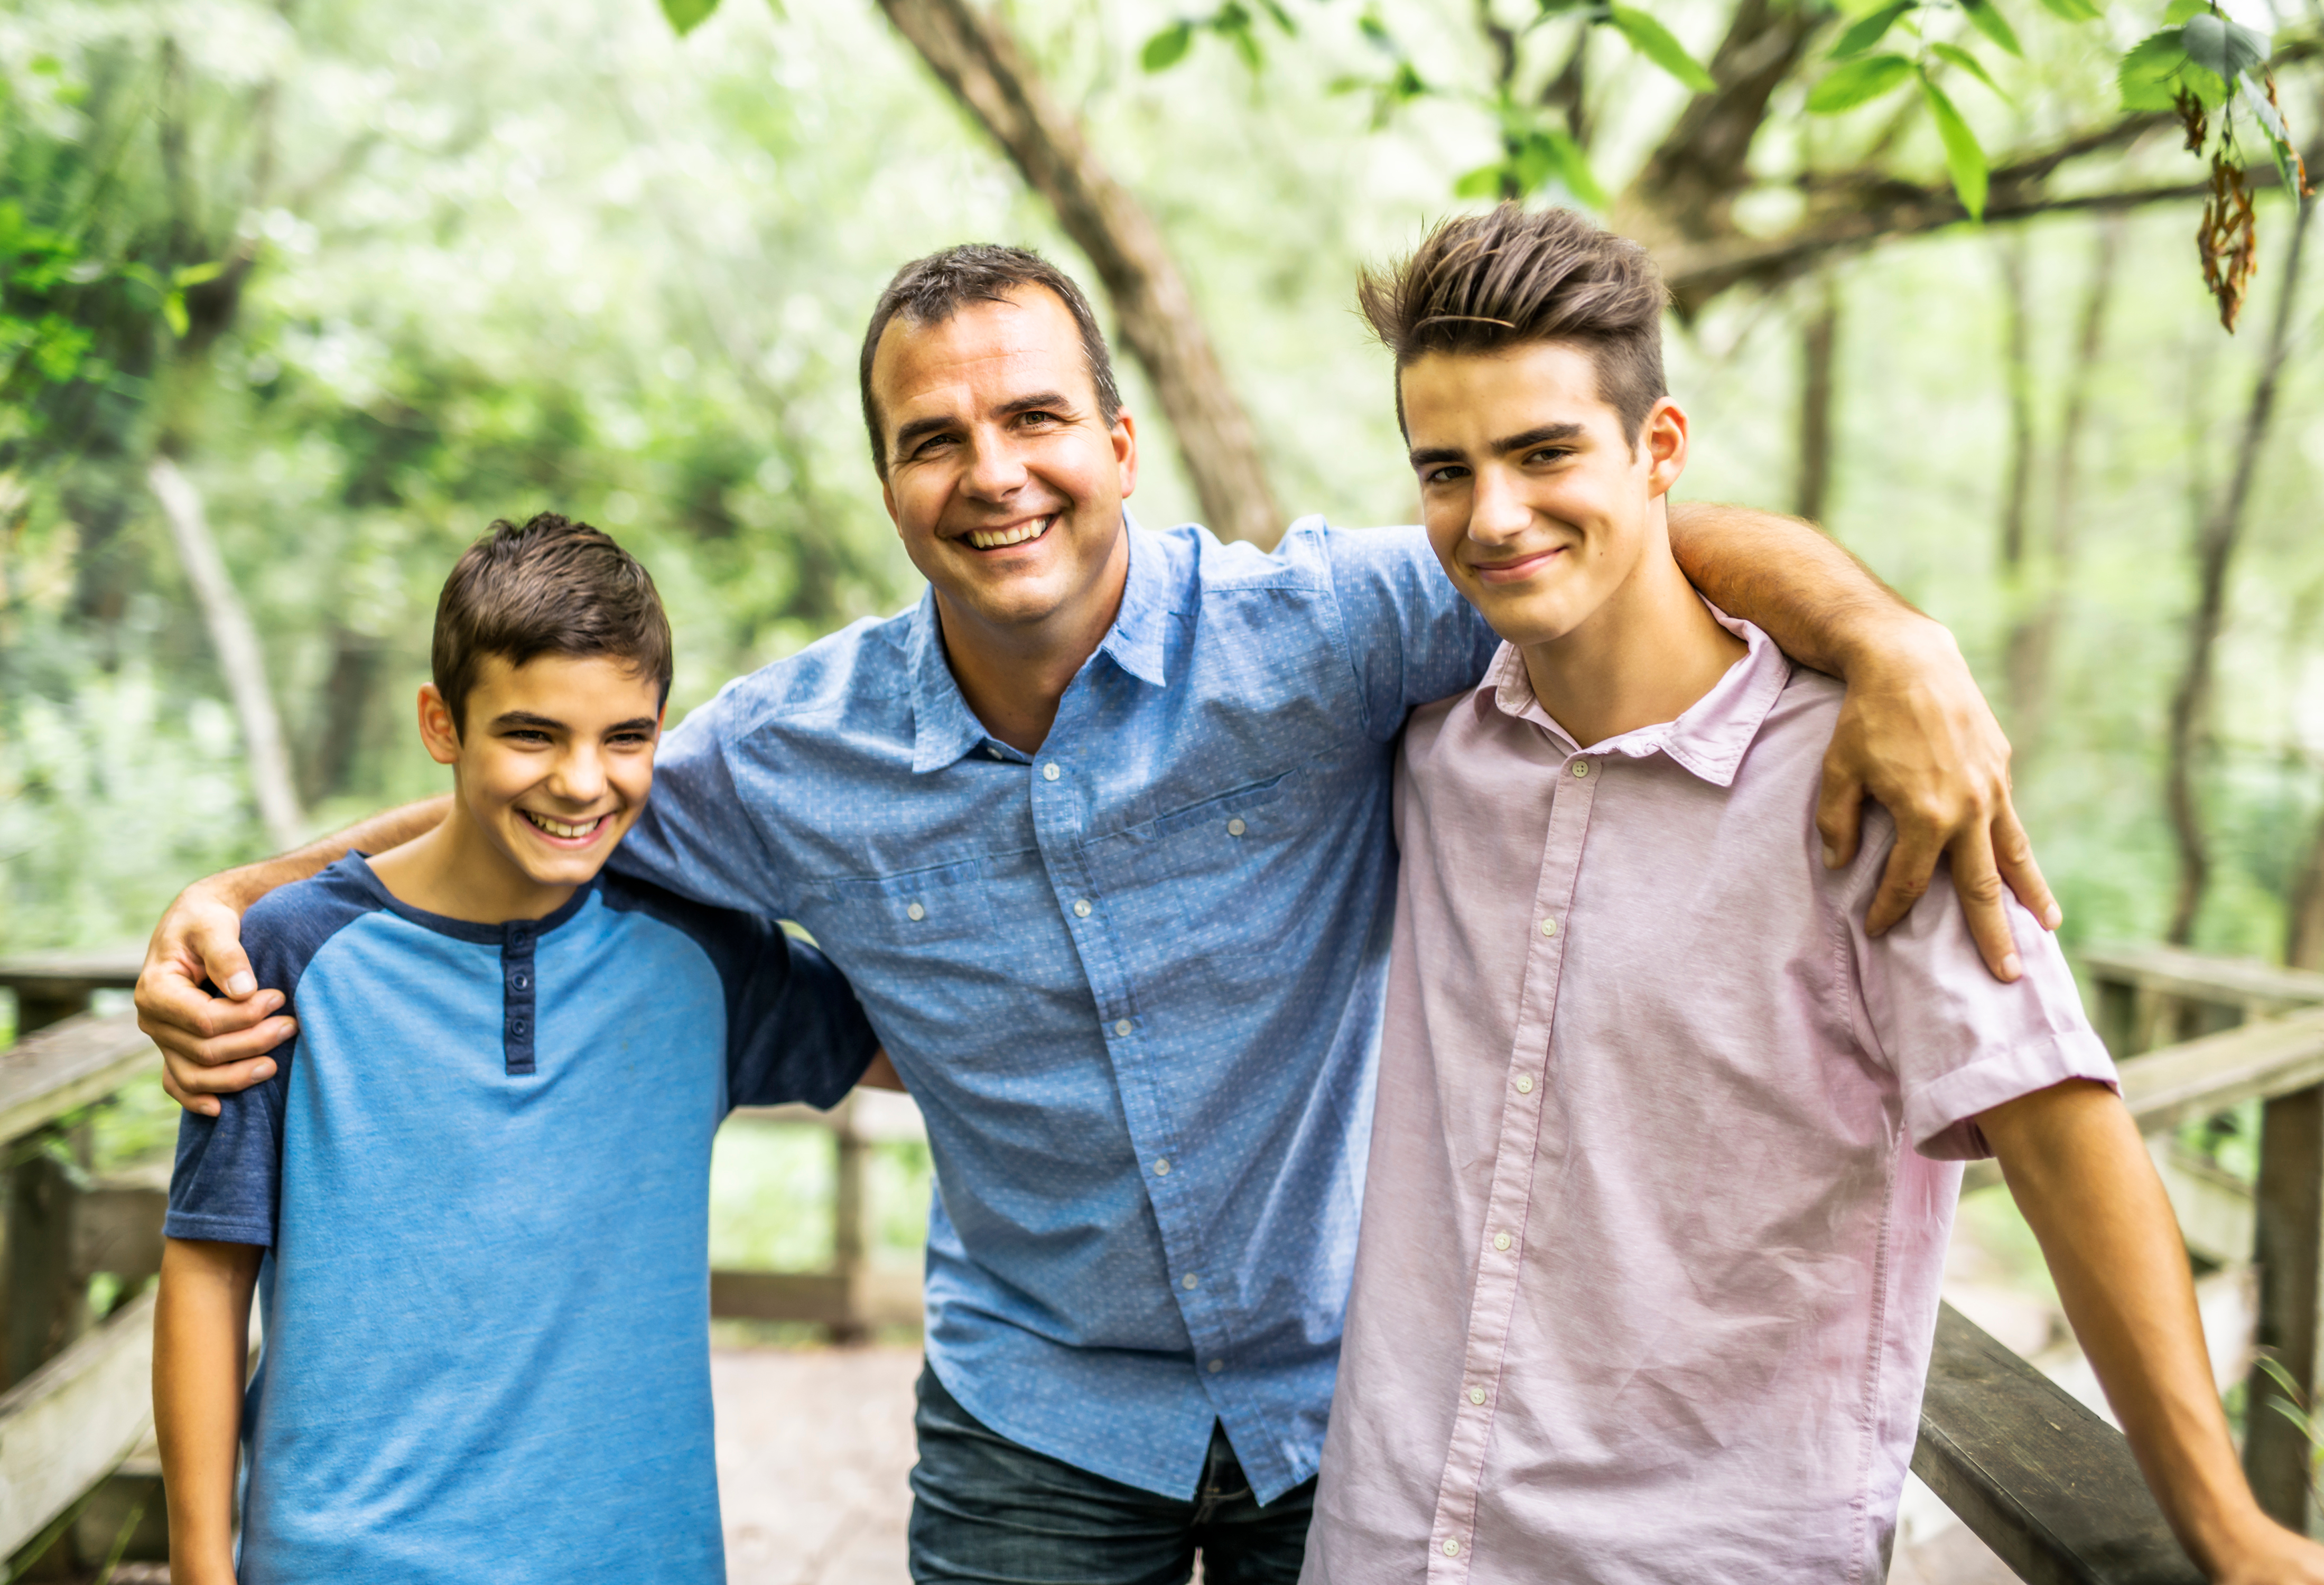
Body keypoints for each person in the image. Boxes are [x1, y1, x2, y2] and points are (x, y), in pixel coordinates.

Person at [143, 246, 2057, 1584]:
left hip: (1355, 1407)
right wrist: (239, 899)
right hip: (1037, 1419)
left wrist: (1885, 634)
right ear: (888, 481)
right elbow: (556, 785)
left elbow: (1593, 531)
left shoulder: (1317, 636)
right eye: (933, 439)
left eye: (1036, 418)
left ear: (1121, 444)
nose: (996, 474)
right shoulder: (792, 754)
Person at [1299, 204, 2324, 1585]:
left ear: (1658, 448)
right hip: (1387, 1542)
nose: (1491, 515)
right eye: (1444, 471)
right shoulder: (1431, 747)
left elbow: (2065, 1138)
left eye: (1543, 453)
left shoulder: (1868, 780)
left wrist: (2228, 1533)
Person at [151, 514, 880, 1585]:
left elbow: (946, 1048)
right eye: (532, 735)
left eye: (625, 738)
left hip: (637, 1560)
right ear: (441, 725)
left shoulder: (706, 955)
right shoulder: (291, 953)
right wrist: (198, 1571)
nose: (582, 783)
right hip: (341, 1559)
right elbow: (206, 1277)